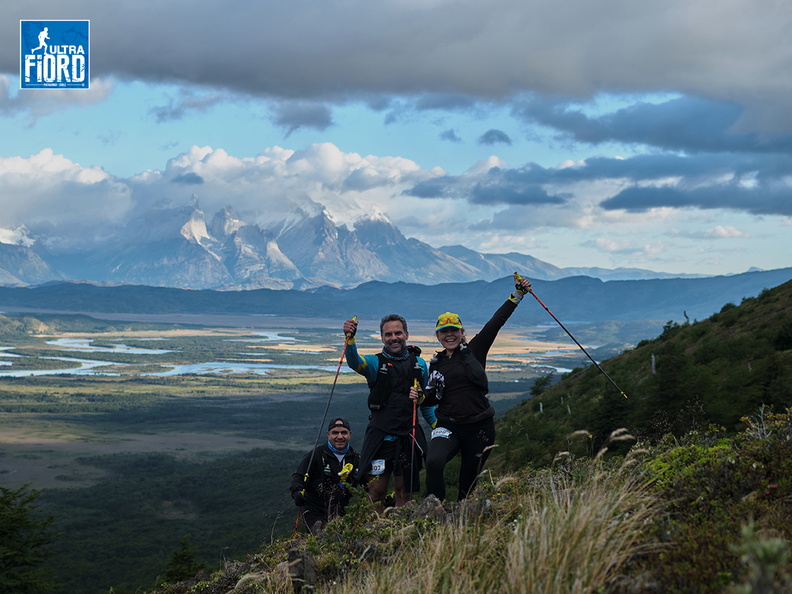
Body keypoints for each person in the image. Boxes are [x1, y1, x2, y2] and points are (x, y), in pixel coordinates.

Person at [423, 273, 532, 501]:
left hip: (479, 428)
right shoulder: (436, 363)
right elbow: (432, 398)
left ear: (462, 333)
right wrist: (419, 397)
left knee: (467, 485)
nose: (450, 334)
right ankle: (434, 513)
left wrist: (518, 295)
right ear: (438, 336)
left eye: (454, 330)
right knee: (433, 462)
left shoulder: (475, 350)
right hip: (448, 426)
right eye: (444, 331)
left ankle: (461, 522)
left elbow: (496, 322)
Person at [343, 314, 436, 508]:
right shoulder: (376, 363)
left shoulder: (420, 365)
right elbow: (355, 362)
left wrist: (437, 425)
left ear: (407, 335)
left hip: (408, 435)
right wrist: (350, 339)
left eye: (398, 333)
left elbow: (425, 403)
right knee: (376, 492)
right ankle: (373, 534)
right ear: (382, 338)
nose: (394, 337)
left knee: (404, 492)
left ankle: (401, 534)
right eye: (388, 334)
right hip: (381, 437)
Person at [290, 417, 360, 534]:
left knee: (341, 540)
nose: (340, 437)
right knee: (320, 535)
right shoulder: (316, 454)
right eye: (335, 433)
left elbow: (369, 484)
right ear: (328, 434)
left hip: (342, 511)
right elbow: (298, 476)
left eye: (344, 432)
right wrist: (296, 492)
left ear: (350, 434)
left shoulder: (356, 458)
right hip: (313, 509)